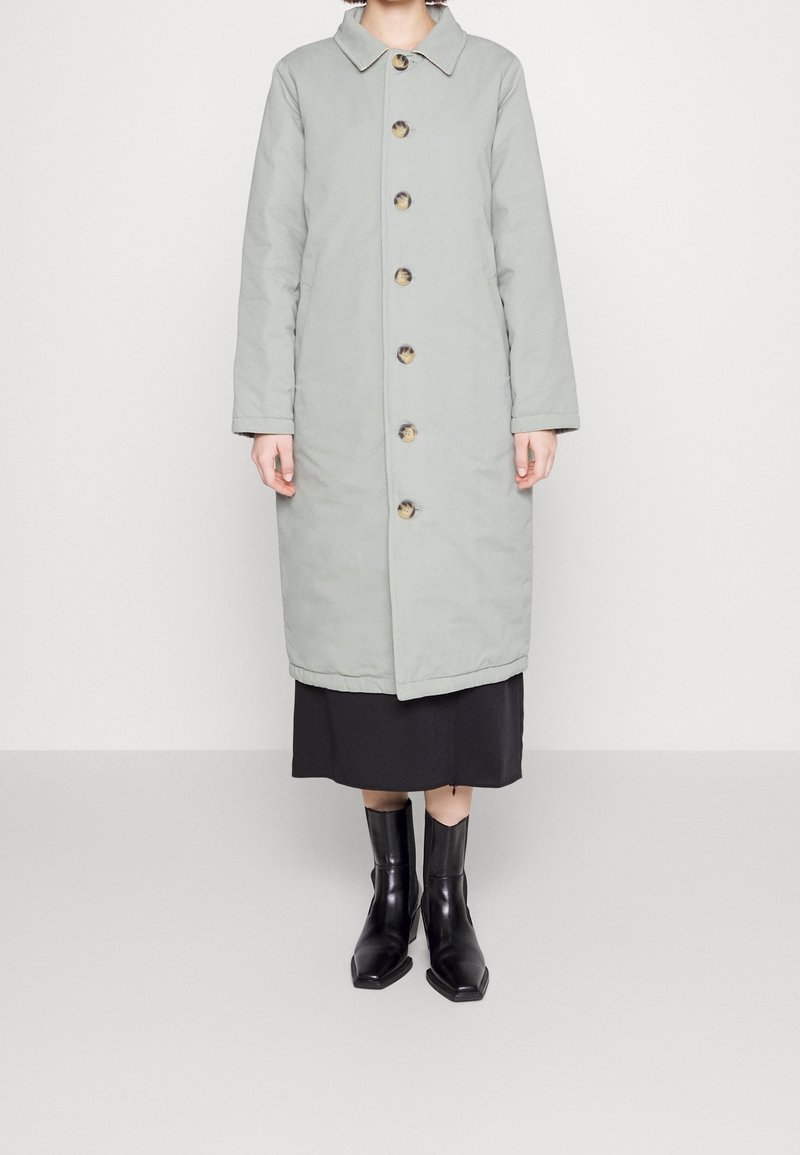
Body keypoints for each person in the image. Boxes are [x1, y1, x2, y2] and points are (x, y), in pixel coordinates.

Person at [232, 0, 580, 1002]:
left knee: (456, 658)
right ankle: (389, 893)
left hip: (464, 419)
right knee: (366, 663)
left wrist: (538, 404)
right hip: (342, 421)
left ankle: (446, 900)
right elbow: (272, 252)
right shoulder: (302, 80)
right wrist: (267, 410)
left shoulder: (492, 77)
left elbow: (525, 245)